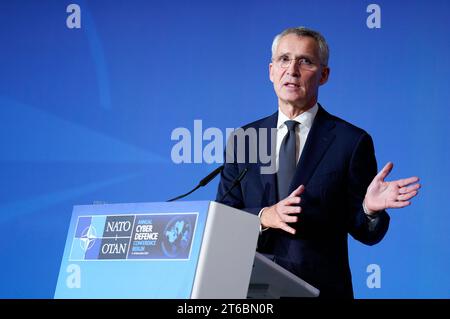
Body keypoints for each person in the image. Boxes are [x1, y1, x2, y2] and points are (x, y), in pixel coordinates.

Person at [216, 27, 420, 298]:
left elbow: (366, 232)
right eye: (284, 59)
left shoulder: (350, 141)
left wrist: (369, 210)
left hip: (321, 291)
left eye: (306, 61)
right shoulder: (245, 139)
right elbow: (223, 220)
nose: (292, 70)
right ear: (271, 71)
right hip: (252, 291)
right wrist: (266, 216)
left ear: (323, 75)